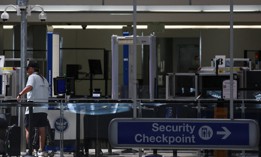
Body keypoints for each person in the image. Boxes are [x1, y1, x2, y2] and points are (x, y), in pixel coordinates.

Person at [17, 62, 49, 156]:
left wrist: (20, 95)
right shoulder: (44, 79)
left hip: (33, 109)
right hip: (43, 109)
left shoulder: (32, 77)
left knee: (28, 130)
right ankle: (41, 150)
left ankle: (31, 150)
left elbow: (29, 87)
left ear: (31, 68)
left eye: (27, 69)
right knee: (42, 130)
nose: (26, 71)